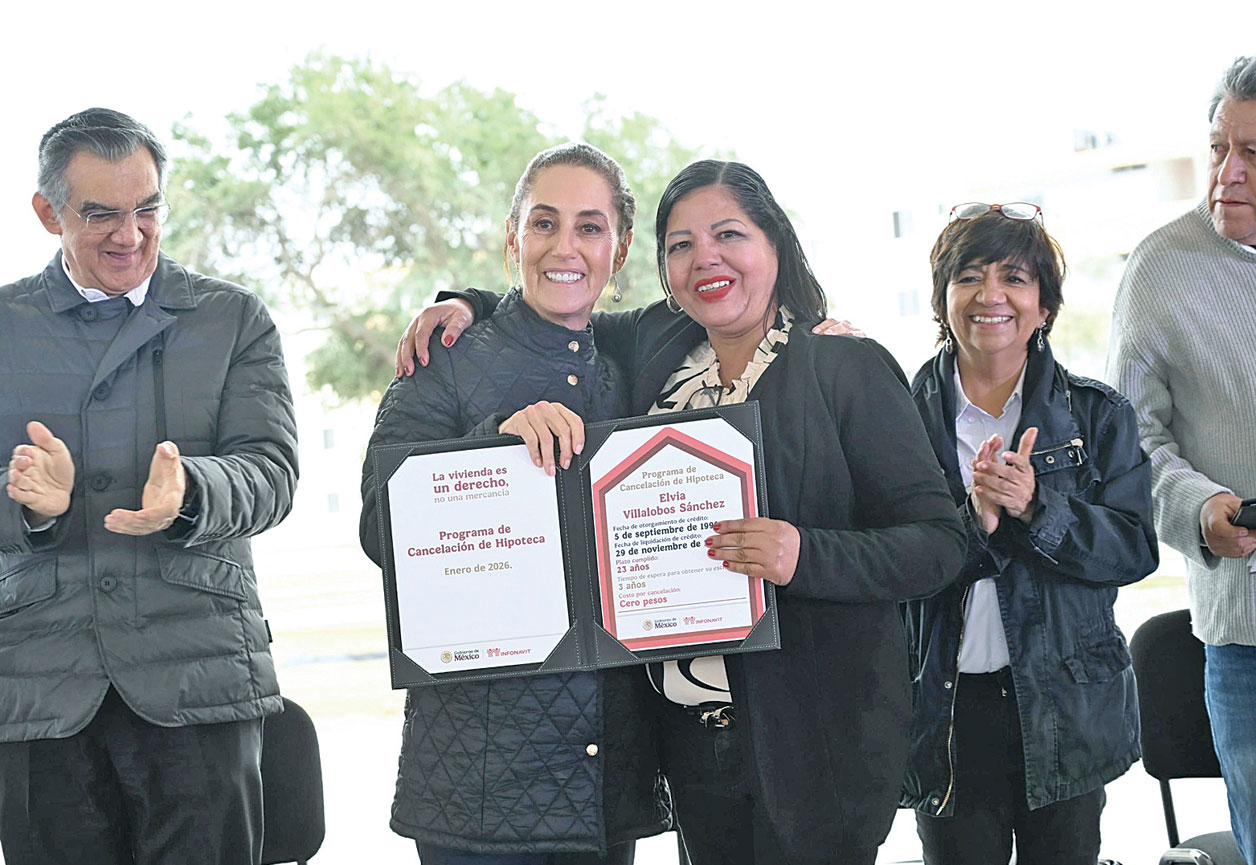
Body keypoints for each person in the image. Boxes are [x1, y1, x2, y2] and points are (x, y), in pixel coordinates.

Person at [399, 160, 966, 865]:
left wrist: (804, 554)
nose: (706, 259)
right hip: (690, 747)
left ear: (776, 243)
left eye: (729, 234)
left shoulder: (842, 366)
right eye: (681, 245)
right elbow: (555, 298)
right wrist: (465, 304)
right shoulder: (655, 353)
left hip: (814, 749)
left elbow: (940, 544)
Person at [0, 108, 298, 865]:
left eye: (147, 209)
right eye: (100, 213)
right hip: (39, 686)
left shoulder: (234, 319)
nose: (129, 235)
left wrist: (193, 490)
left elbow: (271, 471)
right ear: (48, 213)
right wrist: (26, 504)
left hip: (198, 676)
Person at [359, 142, 671, 865]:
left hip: (606, 785)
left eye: (590, 227)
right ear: (513, 236)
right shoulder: (443, 357)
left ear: (621, 248)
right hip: (476, 787)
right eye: (544, 223)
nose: (565, 247)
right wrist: (491, 455)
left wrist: (819, 330)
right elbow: (381, 528)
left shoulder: (633, 364)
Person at [902, 205, 1157, 865]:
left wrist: (1037, 507)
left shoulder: (1098, 414)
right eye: (968, 276)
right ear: (942, 299)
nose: (990, 296)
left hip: (1066, 704)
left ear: (1044, 306)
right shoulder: (896, 418)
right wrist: (976, 523)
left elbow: (1134, 548)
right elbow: (885, 563)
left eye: (1013, 278)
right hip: (947, 710)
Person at [1107, 55, 1256, 865]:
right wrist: (1198, 509)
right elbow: (1130, 440)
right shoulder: (1160, 269)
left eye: (1253, 153)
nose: (1228, 173)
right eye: (1218, 147)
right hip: (1246, 635)